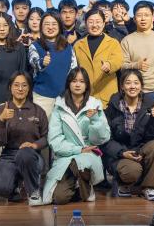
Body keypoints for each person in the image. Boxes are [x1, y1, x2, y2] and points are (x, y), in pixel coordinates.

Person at [36, 68, 111, 206]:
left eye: (82, 81)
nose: (77, 84)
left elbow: (102, 138)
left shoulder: (94, 105)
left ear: (86, 85)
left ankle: (84, 183)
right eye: (74, 81)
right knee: (59, 198)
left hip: (89, 155)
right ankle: (78, 186)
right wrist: (78, 150)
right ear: (68, 84)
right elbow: (55, 140)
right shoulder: (59, 106)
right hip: (65, 156)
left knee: (80, 163)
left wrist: (95, 120)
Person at [103, 70, 154, 201]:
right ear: (122, 86)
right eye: (128, 83)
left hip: (140, 151)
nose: (132, 86)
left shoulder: (151, 105)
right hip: (120, 154)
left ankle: (150, 187)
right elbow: (106, 139)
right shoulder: (113, 106)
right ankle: (124, 183)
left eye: (136, 83)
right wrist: (122, 153)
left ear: (141, 86)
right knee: (132, 171)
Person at [0, 72, 49, 205]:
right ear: (10, 87)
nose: (20, 89)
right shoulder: (0, 110)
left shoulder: (38, 111)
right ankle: (16, 184)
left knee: (24, 154)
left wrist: (34, 145)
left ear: (29, 88)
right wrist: (1, 121)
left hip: (32, 155)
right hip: (9, 155)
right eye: (16, 85)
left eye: (24, 85)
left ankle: (33, 191)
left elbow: (46, 138)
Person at [120, 1, 154, 104]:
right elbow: (122, 67)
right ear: (134, 18)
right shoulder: (127, 40)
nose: (143, 19)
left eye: (147, 15)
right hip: (132, 92)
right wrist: (136, 65)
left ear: (152, 17)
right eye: (139, 15)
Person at [73, 9, 123, 107]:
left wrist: (109, 65)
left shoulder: (113, 43)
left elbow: (118, 60)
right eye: (91, 22)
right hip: (84, 95)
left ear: (104, 23)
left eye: (98, 22)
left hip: (106, 96)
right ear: (86, 24)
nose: (94, 25)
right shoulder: (78, 45)